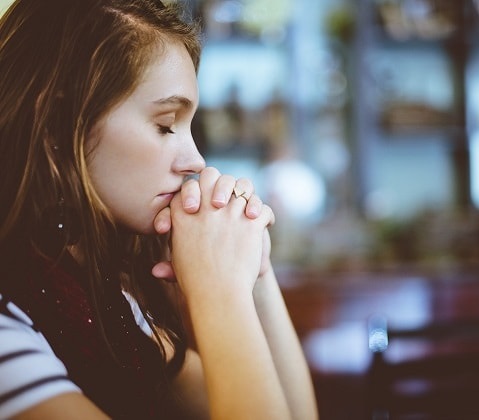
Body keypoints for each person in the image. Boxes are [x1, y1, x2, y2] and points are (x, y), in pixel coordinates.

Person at [0, 0, 318, 418]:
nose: (197, 161)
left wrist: (253, 270)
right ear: (60, 123)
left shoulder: (103, 300)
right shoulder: (10, 324)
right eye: (166, 124)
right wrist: (217, 291)